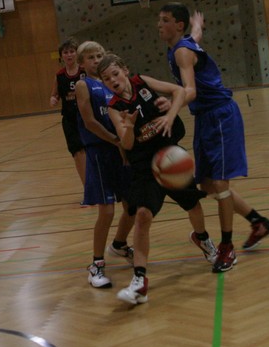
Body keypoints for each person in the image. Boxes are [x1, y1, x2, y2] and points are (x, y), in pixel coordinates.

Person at [158, 3, 269, 273]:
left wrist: (172, 107)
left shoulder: (182, 52)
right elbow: (196, 37)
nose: (159, 25)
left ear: (178, 25)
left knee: (221, 184)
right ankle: (259, 222)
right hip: (205, 119)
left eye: (165, 20)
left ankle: (227, 247)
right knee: (209, 185)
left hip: (220, 116)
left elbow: (190, 91)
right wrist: (197, 26)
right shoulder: (184, 44)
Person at [99, 53, 214, 305]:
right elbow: (127, 143)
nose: (113, 80)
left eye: (115, 74)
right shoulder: (115, 107)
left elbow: (179, 91)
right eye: (107, 79)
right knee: (142, 215)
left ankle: (203, 239)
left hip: (169, 157)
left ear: (125, 70)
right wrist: (129, 126)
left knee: (193, 205)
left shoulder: (142, 82)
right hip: (144, 167)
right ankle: (139, 280)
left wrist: (170, 113)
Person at [74, 41, 136, 288]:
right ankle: (96, 264)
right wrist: (115, 140)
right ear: (81, 63)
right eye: (90, 57)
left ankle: (119, 244)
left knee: (132, 205)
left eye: (99, 55)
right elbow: (89, 122)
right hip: (100, 151)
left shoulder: (110, 83)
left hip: (119, 150)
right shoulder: (84, 85)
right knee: (107, 211)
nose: (97, 60)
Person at [49, 38, 86, 187]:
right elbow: (54, 94)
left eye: (72, 51)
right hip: (70, 120)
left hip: (87, 117)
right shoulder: (59, 75)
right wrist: (53, 99)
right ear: (61, 56)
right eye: (65, 52)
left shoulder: (85, 71)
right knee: (77, 153)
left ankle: (99, 184)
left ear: (77, 53)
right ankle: (86, 187)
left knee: (91, 151)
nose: (69, 55)